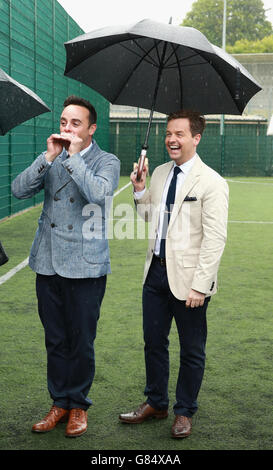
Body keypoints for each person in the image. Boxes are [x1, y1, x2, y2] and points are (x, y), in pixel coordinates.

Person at [12, 95, 120, 437]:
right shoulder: (52, 157)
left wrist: (73, 158)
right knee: (55, 340)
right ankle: (58, 402)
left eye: (75, 123)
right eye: (63, 122)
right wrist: (48, 157)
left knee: (81, 340)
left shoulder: (107, 160)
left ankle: (78, 406)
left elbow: (100, 196)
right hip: (47, 262)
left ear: (91, 129)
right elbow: (18, 190)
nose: (67, 128)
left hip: (85, 266)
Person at [119, 110, 229, 438]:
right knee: (153, 342)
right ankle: (156, 402)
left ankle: (184, 411)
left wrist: (200, 285)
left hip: (190, 282)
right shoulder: (160, 173)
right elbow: (149, 217)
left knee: (191, 348)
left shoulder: (212, 182)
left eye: (179, 133)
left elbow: (215, 239)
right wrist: (139, 190)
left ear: (196, 138)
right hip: (155, 273)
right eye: (168, 133)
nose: (171, 139)